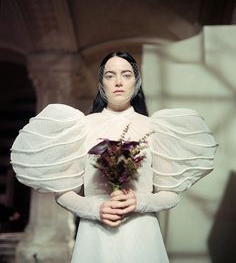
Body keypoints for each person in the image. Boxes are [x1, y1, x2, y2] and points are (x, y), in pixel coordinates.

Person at [10, 52, 218, 263]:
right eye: (110, 76)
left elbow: (171, 194)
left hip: (142, 234)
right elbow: (63, 193)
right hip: (95, 235)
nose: (118, 82)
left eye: (126, 75)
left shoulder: (153, 127)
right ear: (101, 83)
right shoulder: (83, 127)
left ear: (136, 81)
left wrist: (140, 201)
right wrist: (94, 208)